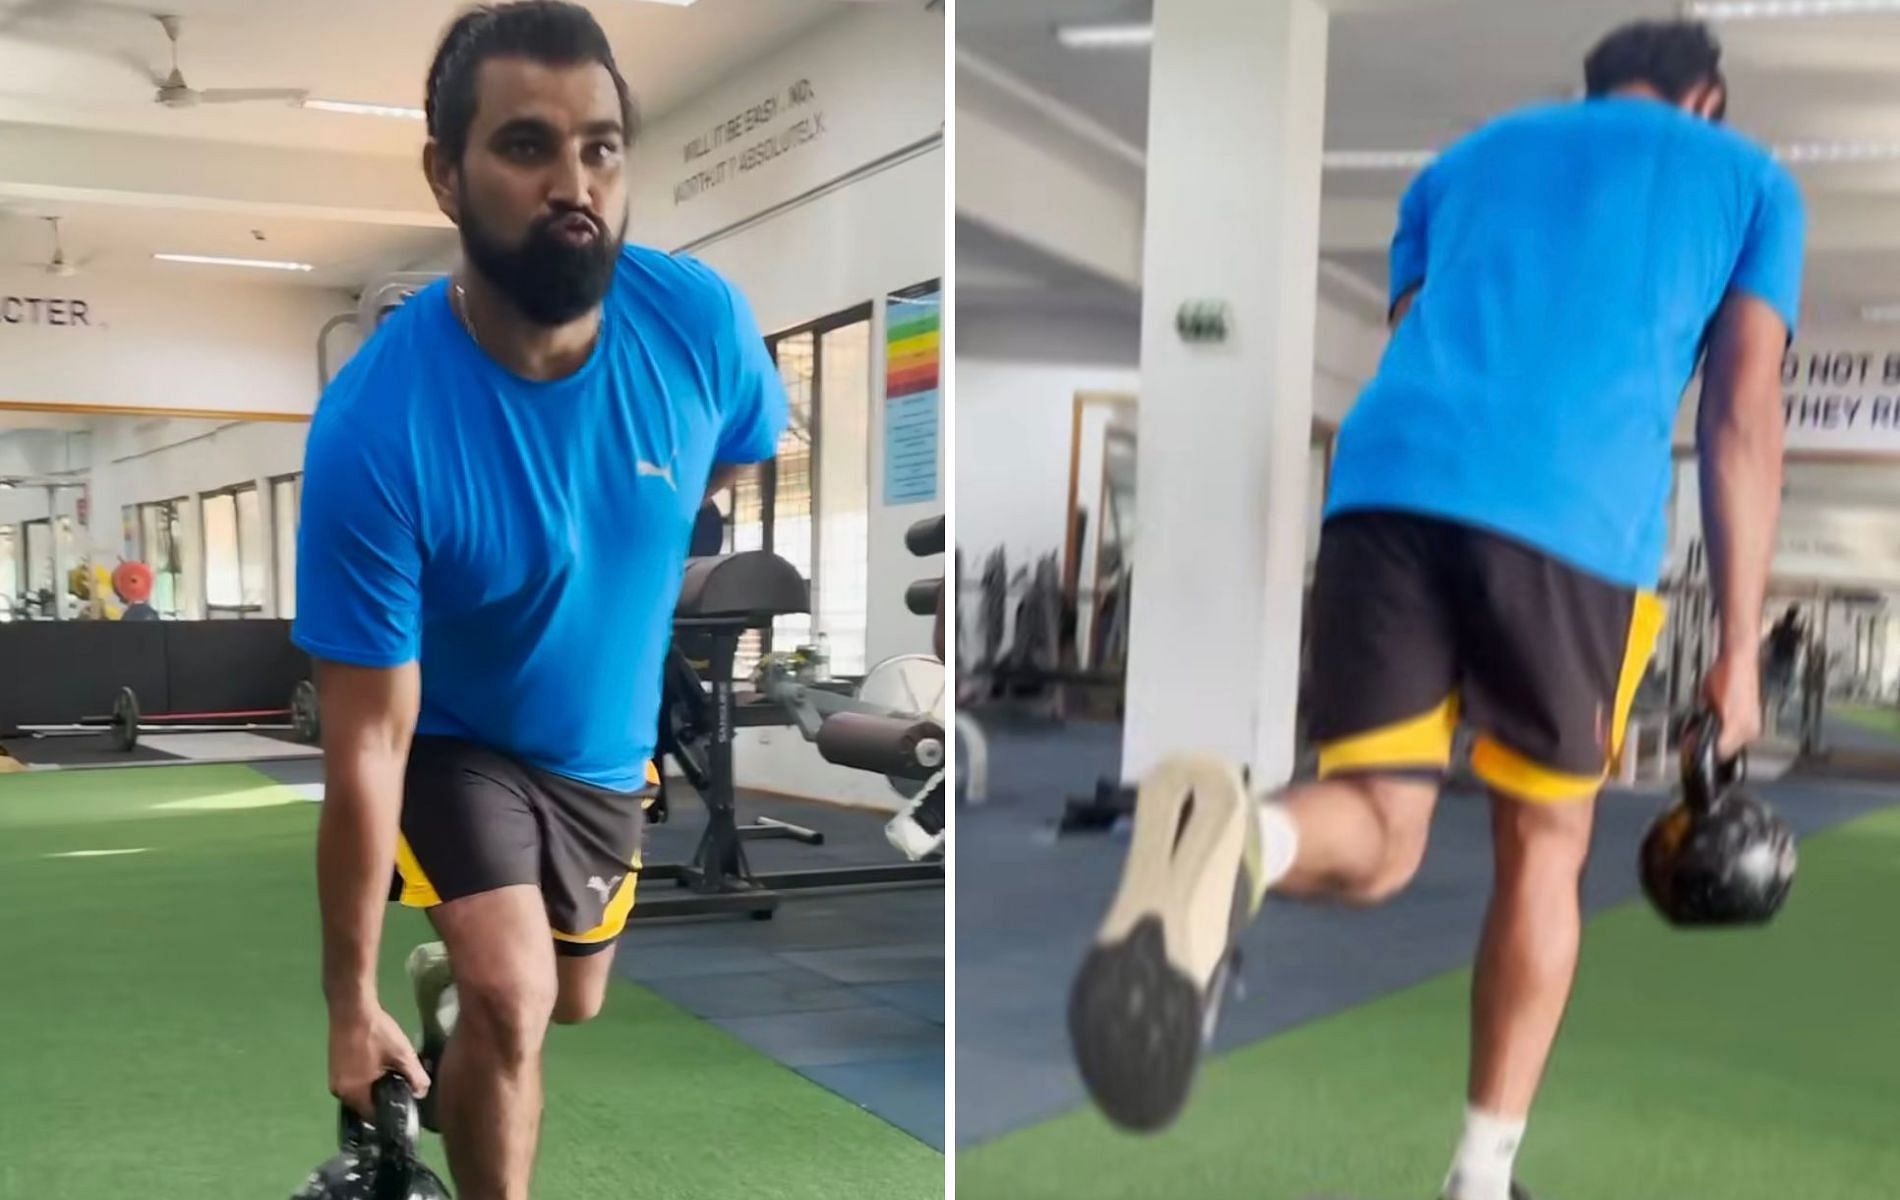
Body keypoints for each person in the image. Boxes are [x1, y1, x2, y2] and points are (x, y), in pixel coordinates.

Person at [1069, 20, 1803, 1200]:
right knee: (1544, 848)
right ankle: (1480, 1176)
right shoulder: (1751, 179)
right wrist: (1739, 658)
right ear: (1706, 95)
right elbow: (1739, 422)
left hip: (1380, 491)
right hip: (1570, 521)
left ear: (1593, 81)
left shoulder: (1457, 164)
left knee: (1377, 827)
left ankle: (1239, 841)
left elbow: (1421, 343)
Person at [292, 4, 787, 1198]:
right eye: (526, 146)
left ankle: (459, 996)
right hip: (454, 741)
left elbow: (738, 449)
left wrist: (630, 557)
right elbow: (368, 744)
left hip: (601, 755)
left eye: (601, 147)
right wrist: (347, 1001)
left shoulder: (698, 325)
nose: (575, 181)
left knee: (568, 1001)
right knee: (515, 992)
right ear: (445, 174)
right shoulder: (376, 428)